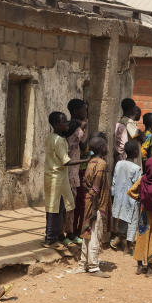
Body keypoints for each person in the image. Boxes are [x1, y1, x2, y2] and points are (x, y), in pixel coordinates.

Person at [43, 112, 87, 252]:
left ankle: (52, 236)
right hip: (57, 178)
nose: (67, 124)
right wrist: (86, 160)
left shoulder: (51, 137)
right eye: (64, 122)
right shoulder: (59, 141)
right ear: (56, 124)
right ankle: (50, 239)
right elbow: (66, 161)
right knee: (55, 209)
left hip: (53, 176)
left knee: (56, 208)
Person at [78, 136, 112, 278]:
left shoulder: (90, 162)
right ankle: (93, 267)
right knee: (95, 235)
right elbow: (96, 188)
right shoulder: (102, 164)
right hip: (97, 204)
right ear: (101, 148)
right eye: (105, 145)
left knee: (88, 233)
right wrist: (94, 209)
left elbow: (86, 183)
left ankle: (83, 263)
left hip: (89, 202)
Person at [111, 140, 142, 253]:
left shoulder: (119, 164)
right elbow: (137, 185)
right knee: (133, 221)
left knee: (123, 218)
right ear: (135, 152)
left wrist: (113, 195)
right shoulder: (136, 168)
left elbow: (114, 180)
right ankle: (129, 246)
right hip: (131, 199)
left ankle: (118, 238)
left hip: (119, 197)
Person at [66, 98, 90, 236]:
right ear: (76, 111)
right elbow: (83, 146)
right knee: (76, 202)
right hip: (75, 167)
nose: (85, 112)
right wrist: (85, 128)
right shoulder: (76, 127)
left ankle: (71, 230)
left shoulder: (68, 125)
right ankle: (73, 231)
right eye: (83, 109)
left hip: (73, 168)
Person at [114, 98, 138, 163]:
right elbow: (137, 136)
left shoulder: (120, 121)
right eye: (134, 108)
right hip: (127, 156)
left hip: (119, 155)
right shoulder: (129, 122)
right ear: (131, 109)